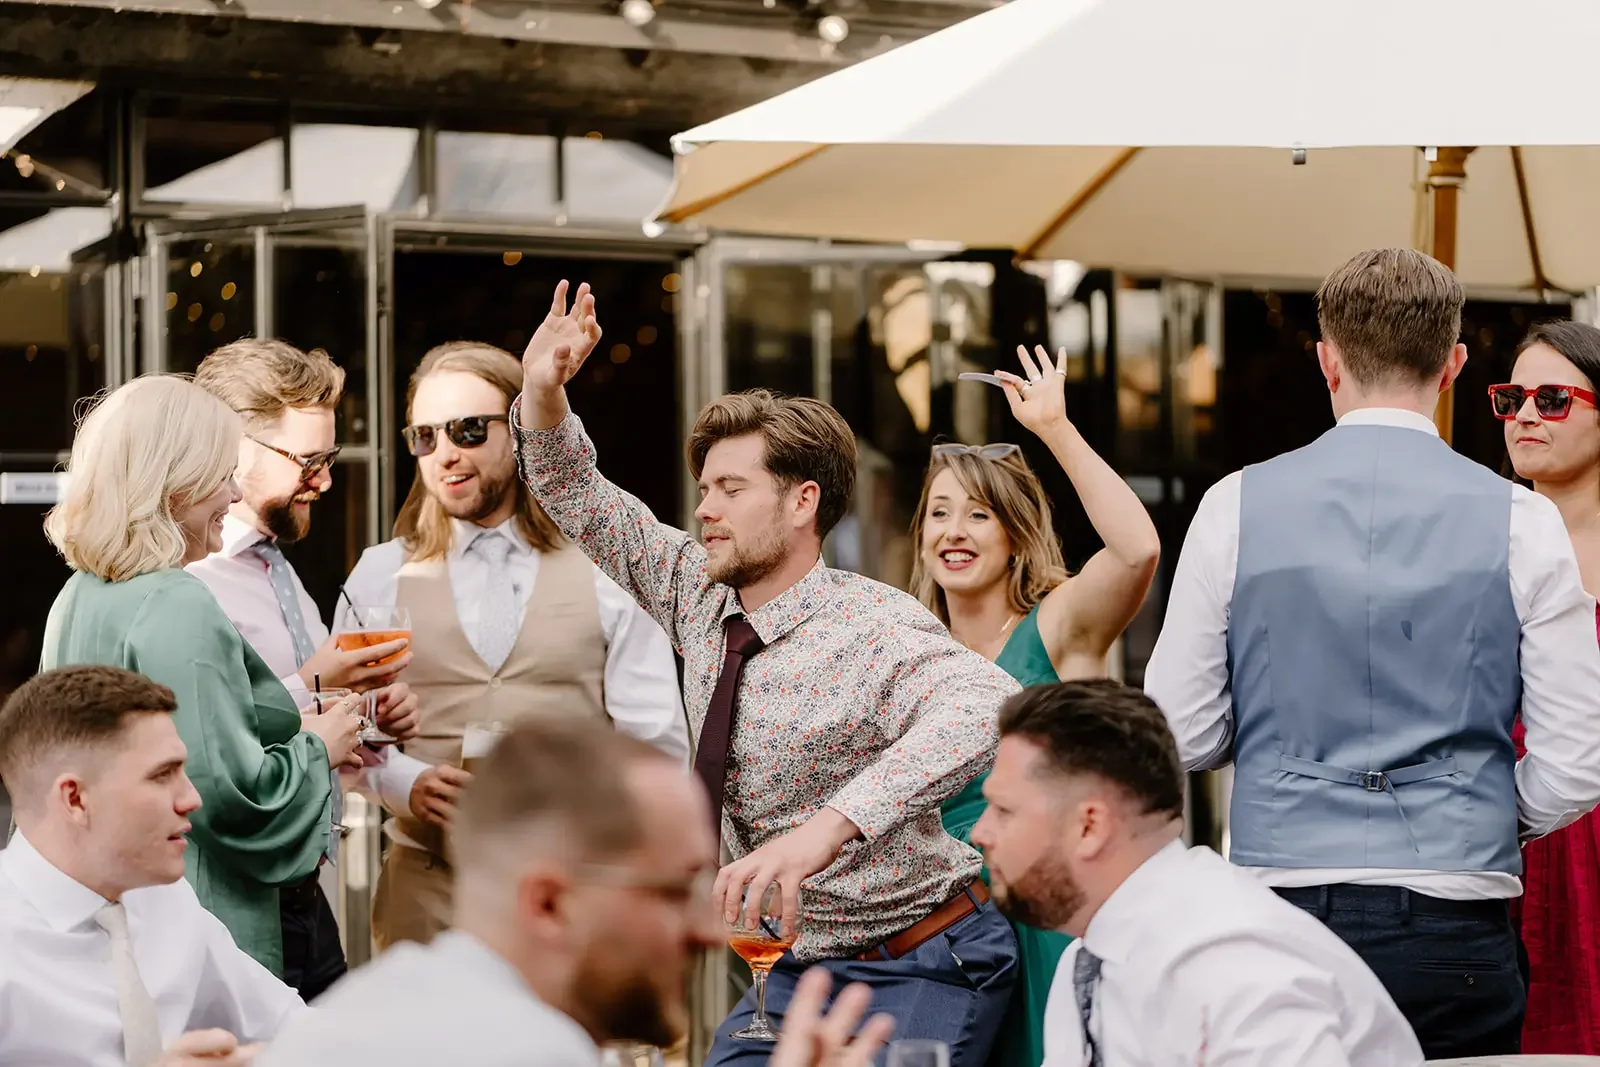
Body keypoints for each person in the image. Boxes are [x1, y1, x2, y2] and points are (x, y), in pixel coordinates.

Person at [513, 281, 1021, 1067]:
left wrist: (822, 832)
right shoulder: (693, 588)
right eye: (705, 486)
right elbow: (576, 490)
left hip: (923, 960)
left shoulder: (874, 625)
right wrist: (542, 389)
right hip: (786, 974)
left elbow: (992, 702)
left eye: (731, 488)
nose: (705, 506)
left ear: (801, 503)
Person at [1144, 248, 1600, 1059]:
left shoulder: (1233, 506)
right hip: (1453, 915)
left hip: (1276, 906)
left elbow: (1179, 730)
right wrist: (1479, 811)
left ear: (1326, 360)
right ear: (1454, 364)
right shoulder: (1522, 522)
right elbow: (1576, 762)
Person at [257, 718, 890, 1067]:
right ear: (549, 903)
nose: (709, 930)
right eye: (672, 892)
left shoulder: (383, 1002)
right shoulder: (523, 1051)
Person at [342, 341, 688, 950]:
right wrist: (406, 783)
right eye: (425, 437)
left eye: (469, 430)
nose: (445, 454)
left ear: (520, 429)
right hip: (424, 898)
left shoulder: (608, 568)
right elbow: (344, 732)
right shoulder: (379, 574)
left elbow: (654, 745)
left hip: (575, 897)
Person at [38, 375, 363, 979]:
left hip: (121, 917)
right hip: (211, 928)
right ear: (175, 485)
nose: (233, 491)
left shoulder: (76, 596)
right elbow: (230, 794)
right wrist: (322, 744)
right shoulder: (176, 602)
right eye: (221, 474)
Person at [910, 344, 1160, 1067]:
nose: (953, 531)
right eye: (939, 514)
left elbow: (1137, 549)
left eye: (978, 514)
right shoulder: (908, 652)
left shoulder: (1057, 625)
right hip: (944, 939)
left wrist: (1055, 428)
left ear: (1015, 533)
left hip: (1050, 922)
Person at [971, 680, 1422, 1067]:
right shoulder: (1091, 958)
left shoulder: (1230, 961)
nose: (979, 832)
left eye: (1004, 810)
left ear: (1089, 826)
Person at [187, 339, 420, 1001]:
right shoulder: (186, 579)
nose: (324, 479)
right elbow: (204, 746)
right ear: (234, 447)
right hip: (232, 911)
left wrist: (374, 724)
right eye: (308, 460)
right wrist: (316, 679)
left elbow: (314, 736)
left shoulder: (278, 569)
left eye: (328, 458)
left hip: (309, 900)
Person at [0, 665, 303, 1067]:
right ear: (74, 799)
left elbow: (288, 1025)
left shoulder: (163, 896)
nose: (192, 798)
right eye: (163, 775)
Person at [1493, 319, 1600, 1055]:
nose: (1527, 414)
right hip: (1510, 825)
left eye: (1555, 397)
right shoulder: (1475, 536)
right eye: (1512, 397)